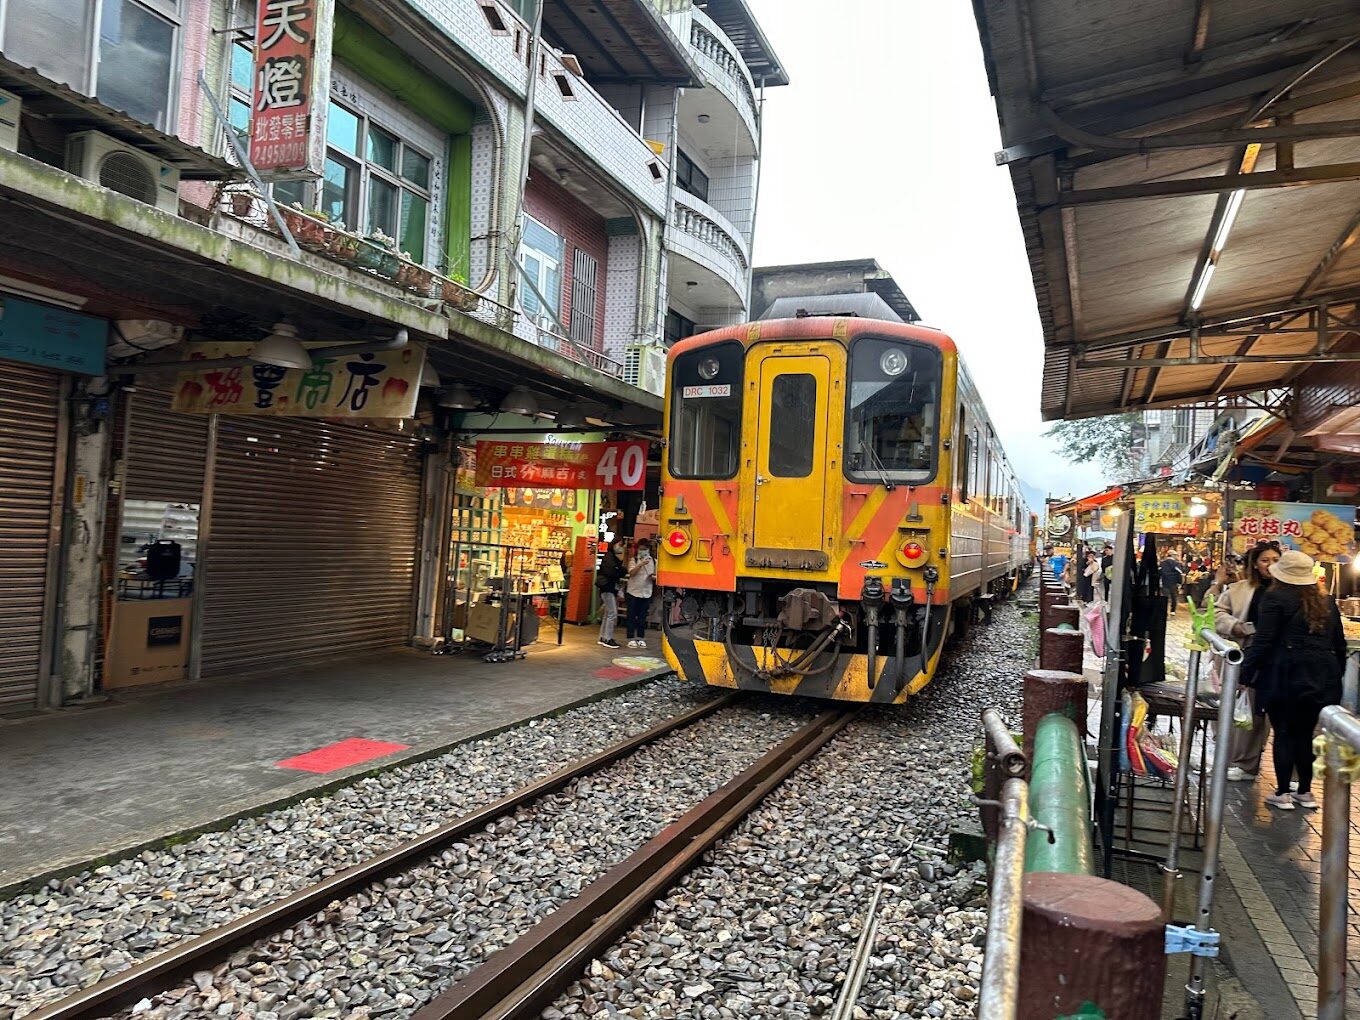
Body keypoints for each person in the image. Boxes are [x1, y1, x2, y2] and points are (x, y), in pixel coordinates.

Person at [1240, 550, 1346, 811]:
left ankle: (1283, 792)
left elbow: (1263, 641)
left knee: (1284, 732)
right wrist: (1335, 675)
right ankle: (1305, 792)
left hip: (1284, 674)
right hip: (1322, 675)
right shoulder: (1326, 600)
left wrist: (1245, 674)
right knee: (1306, 733)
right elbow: (1339, 643)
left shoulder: (1275, 597)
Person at [1213, 542, 1279, 780]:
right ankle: (1245, 763)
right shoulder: (1239, 589)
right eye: (1265, 560)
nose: (1270, 565)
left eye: (1275, 560)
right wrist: (1236, 626)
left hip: (1281, 659)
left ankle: (1292, 776)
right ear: (1255, 564)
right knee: (1249, 713)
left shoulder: (1292, 590)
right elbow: (1216, 612)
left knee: (1282, 715)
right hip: (1248, 654)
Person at [625, 539, 657, 649]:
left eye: (645, 549)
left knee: (642, 617)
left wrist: (653, 577)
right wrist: (640, 564)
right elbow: (631, 573)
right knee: (631, 616)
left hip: (646, 592)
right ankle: (630, 638)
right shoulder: (633, 560)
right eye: (641, 549)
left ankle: (641, 638)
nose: (643, 551)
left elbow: (656, 576)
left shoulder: (654, 561)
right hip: (633, 592)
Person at [595, 540, 627, 649]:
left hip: (607, 587)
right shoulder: (609, 557)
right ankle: (607, 638)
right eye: (620, 545)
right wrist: (620, 569)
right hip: (607, 587)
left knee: (608, 613)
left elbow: (617, 570)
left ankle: (603, 637)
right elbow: (613, 572)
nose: (621, 547)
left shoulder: (611, 557)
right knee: (612, 613)